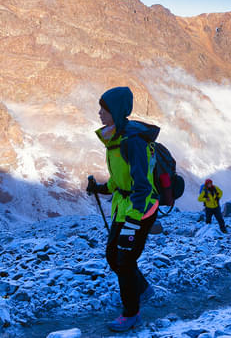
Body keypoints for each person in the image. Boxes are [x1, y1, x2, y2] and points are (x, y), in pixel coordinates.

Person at [86, 86, 159, 332]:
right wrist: (100, 188)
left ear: (116, 111)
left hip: (140, 209)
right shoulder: (116, 139)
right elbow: (119, 181)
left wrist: (134, 220)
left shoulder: (133, 142)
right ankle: (144, 290)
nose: (99, 113)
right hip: (124, 207)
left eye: (104, 109)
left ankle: (131, 314)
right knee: (113, 257)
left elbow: (142, 186)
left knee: (125, 261)